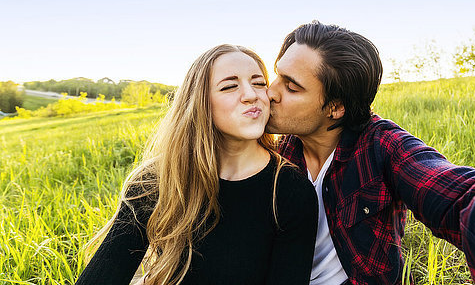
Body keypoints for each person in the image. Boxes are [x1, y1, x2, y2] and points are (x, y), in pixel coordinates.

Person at [266, 21, 475, 285]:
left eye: (291, 86)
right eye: (276, 75)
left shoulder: (382, 147)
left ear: (336, 107)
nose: (270, 92)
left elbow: (459, 195)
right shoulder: (272, 151)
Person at [75, 44, 318, 285]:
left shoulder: (290, 191)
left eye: (258, 83)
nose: (251, 94)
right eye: (230, 86)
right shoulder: (156, 181)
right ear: (200, 103)